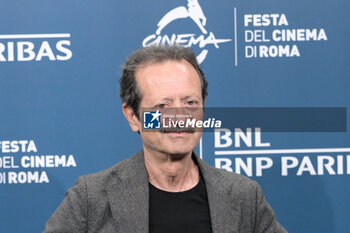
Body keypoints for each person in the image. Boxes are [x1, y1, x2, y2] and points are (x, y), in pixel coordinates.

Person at [44, 45, 287, 233]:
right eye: (163, 105)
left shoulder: (244, 196)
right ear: (133, 117)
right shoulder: (91, 198)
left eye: (191, 103)